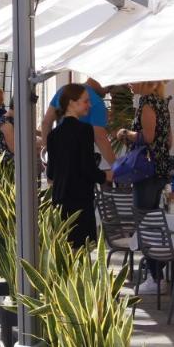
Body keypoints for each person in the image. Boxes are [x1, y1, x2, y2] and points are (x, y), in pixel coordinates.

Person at [115, 81, 172, 293]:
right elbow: (168, 140)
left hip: (146, 171)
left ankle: (155, 277)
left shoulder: (147, 103)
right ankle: (158, 273)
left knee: (145, 222)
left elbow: (147, 137)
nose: (129, 83)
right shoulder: (161, 104)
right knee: (155, 221)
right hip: (160, 168)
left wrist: (125, 134)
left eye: (133, 79)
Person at [46, 83, 113, 247]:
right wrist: (106, 175)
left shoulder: (53, 135)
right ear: (71, 103)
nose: (89, 105)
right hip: (80, 199)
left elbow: (51, 173)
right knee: (82, 251)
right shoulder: (84, 130)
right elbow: (87, 167)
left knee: (64, 249)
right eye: (85, 101)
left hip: (60, 200)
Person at [41, 77, 115, 166]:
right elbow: (100, 137)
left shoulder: (65, 90)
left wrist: (47, 155)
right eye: (110, 86)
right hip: (77, 161)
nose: (109, 92)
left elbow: (46, 122)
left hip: (59, 159)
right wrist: (116, 167)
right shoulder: (97, 103)